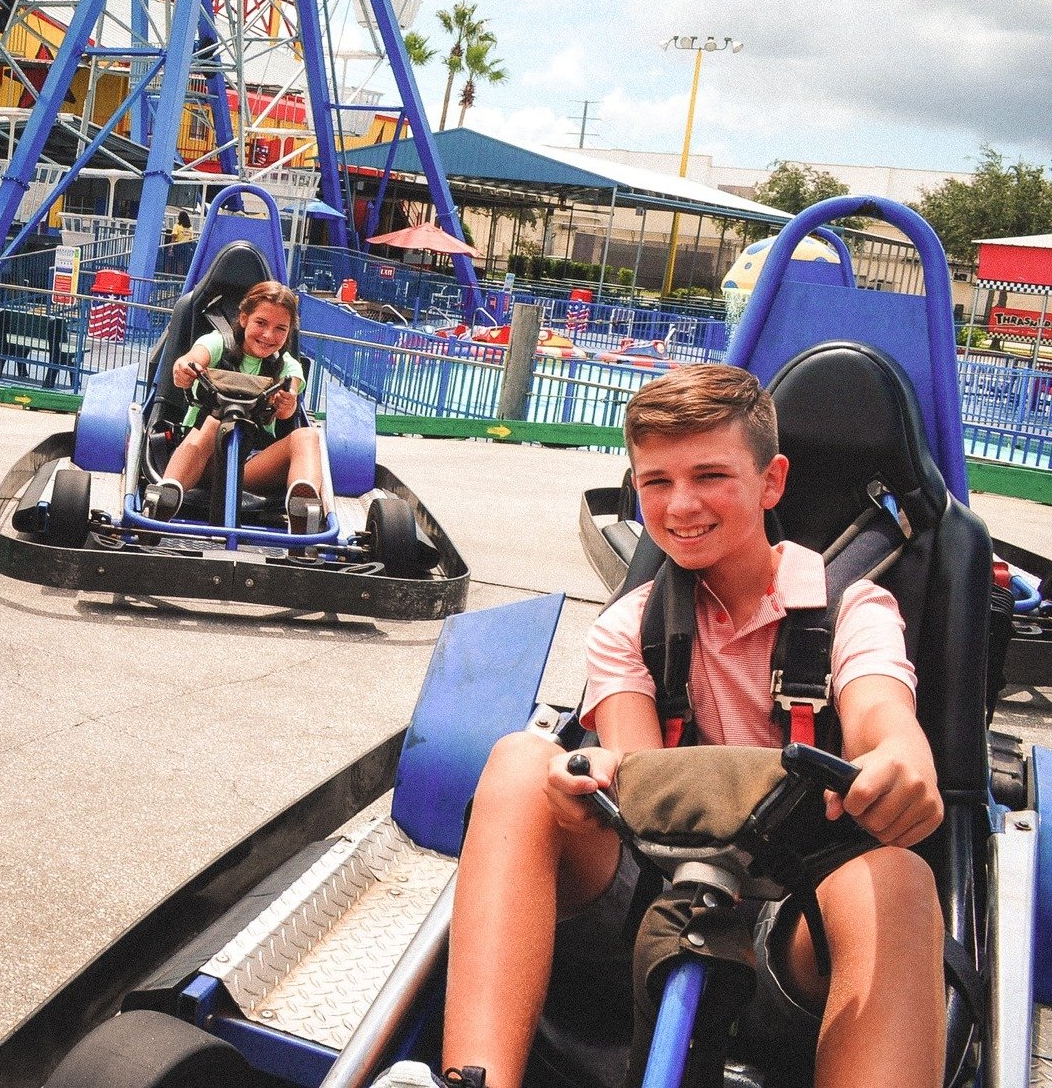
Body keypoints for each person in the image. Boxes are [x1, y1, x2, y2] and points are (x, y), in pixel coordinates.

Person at [392, 364, 946, 1088]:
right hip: (657, 891)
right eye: (656, 481)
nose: (680, 504)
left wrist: (901, 758)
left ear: (771, 481)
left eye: (710, 474)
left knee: (898, 877)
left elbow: (880, 713)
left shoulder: (853, 610)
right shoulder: (633, 624)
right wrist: (579, 783)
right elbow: (636, 771)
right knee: (521, 760)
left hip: (798, 914)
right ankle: (475, 1077)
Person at [149, 280, 322, 530]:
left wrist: (286, 403)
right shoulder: (219, 343)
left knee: (308, 436)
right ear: (244, 319)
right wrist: (185, 368)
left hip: (249, 466)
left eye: (280, 329)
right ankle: (166, 498)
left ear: (288, 334)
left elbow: (290, 397)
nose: (268, 335)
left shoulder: (286, 366)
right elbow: (193, 358)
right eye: (261, 323)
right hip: (203, 461)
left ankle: (304, 512)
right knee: (214, 423)